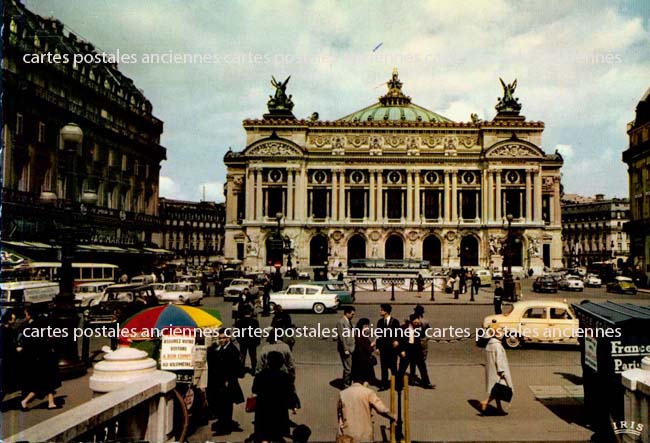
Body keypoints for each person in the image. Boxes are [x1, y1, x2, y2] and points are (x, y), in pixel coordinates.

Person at [18, 307, 61, 410]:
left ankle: (51, 403)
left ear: (30, 315)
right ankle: (25, 401)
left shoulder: (29, 327)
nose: (25, 316)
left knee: (47, 381)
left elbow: (28, 343)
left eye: (26, 314)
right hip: (44, 357)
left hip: (38, 358)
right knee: (44, 382)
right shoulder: (38, 325)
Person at [207, 329, 244, 435]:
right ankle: (223, 423)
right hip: (219, 382)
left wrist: (228, 380)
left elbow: (234, 367)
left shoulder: (232, 350)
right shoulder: (220, 348)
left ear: (228, 338)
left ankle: (225, 428)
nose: (221, 340)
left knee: (226, 406)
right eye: (220, 338)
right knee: (221, 405)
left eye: (223, 338)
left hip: (227, 382)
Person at [252, 351, 294, 441]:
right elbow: (290, 392)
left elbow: (254, 390)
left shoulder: (260, 375)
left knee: (263, 436)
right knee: (277, 435)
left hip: (263, 409)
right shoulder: (284, 377)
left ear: (268, 362)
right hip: (279, 409)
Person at [338, 378, 395, 442]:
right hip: (364, 435)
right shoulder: (368, 392)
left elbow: (340, 416)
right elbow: (381, 409)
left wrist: (340, 433)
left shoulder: (343, 393)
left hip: (347, 435)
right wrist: (393, 416)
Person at [480, 327, 513, 414]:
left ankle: (499, 409)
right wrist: (501, 371)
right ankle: (486, 401)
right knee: (500, 389)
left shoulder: (490, 344)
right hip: (498, 372)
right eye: (501, 332)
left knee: (497, 389)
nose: (502, 334)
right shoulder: (497, 346)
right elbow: (499, 360)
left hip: (492, 371)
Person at [398, 314, 433, 389]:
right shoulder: (404, 328)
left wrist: (422, 327)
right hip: (407, 349)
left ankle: (426, 383)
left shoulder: (419, 327)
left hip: (417, 349)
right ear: (411, 321)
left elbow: (423, 336)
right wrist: (401, 350)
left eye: (418, 322)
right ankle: (399, 384)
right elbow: (400, 340)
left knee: (422, 367)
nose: (416, 324)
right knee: (402, 368)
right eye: (415, 322)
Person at [376, 303, 400, 391]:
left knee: (393, 368)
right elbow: (378, 335)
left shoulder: (395, 321)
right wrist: (377, 348)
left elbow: (399, 333)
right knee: (384, 368)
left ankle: (397, 385)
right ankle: (384, 384)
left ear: (386, 311)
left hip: (392, 348)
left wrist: (397, 341)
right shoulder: (380, 322)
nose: (380, 311)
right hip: (383, 348)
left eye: (381, 310)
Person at [235, 305, 260, 376]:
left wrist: (239, 339)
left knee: (242, 356)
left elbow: (237, 332)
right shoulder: (255, 322)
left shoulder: (239, 322)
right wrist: (257, 341)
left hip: (243, 341)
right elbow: (257, 332)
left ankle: (241, 372)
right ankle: (254, 370)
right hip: (252, 341)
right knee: (253, 356)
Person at [351, 318, 377, 386]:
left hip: (358, 361)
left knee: (358, 380)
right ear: (363, 326)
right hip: (364, 362)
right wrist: (373, 344)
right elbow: (368, 349)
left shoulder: (358, 334)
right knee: (365, 380)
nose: (368, 327)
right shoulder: (362, 337)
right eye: (367, 326)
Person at [337, 306, 356, 388]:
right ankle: (346, 385)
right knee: (348, 369)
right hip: (346, 349)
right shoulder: (341, 322)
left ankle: (348, 383)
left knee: (350, 368)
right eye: (352, 314)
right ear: (347, 313)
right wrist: (345, 349)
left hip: (351, 348)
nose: (353, 316)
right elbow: (342, 337)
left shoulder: (348, 321)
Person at [0, 310, 18, 402]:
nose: (15, 320)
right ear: (8, 320)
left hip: (9, 359)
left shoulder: (10, 330)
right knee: (5, 383)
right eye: (13, 319)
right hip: (6, 359)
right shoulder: (3, 331)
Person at [410, 305, 430, 382]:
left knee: (413, 361)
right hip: (423, 341)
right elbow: (427, 328)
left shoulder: (412, 319)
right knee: (422, 362)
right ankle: (425, 381)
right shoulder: (425, 321)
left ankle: (412, 377)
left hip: (414, 342)